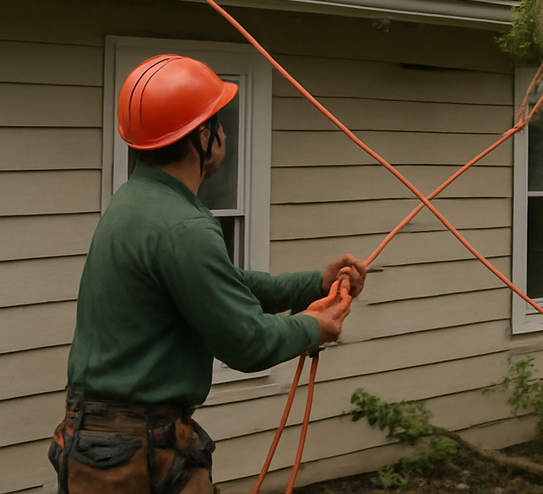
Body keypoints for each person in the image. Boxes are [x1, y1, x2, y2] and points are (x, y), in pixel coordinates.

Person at [48, 54, 369, 493]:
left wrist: (315, 282)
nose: (223, 131)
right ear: (203, 136)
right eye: (218, 121)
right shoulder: (183, 226)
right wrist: (315, 326)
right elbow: (246, 342)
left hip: (101, 445)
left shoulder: (135, 202)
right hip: (137, 456)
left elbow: (227, 284)